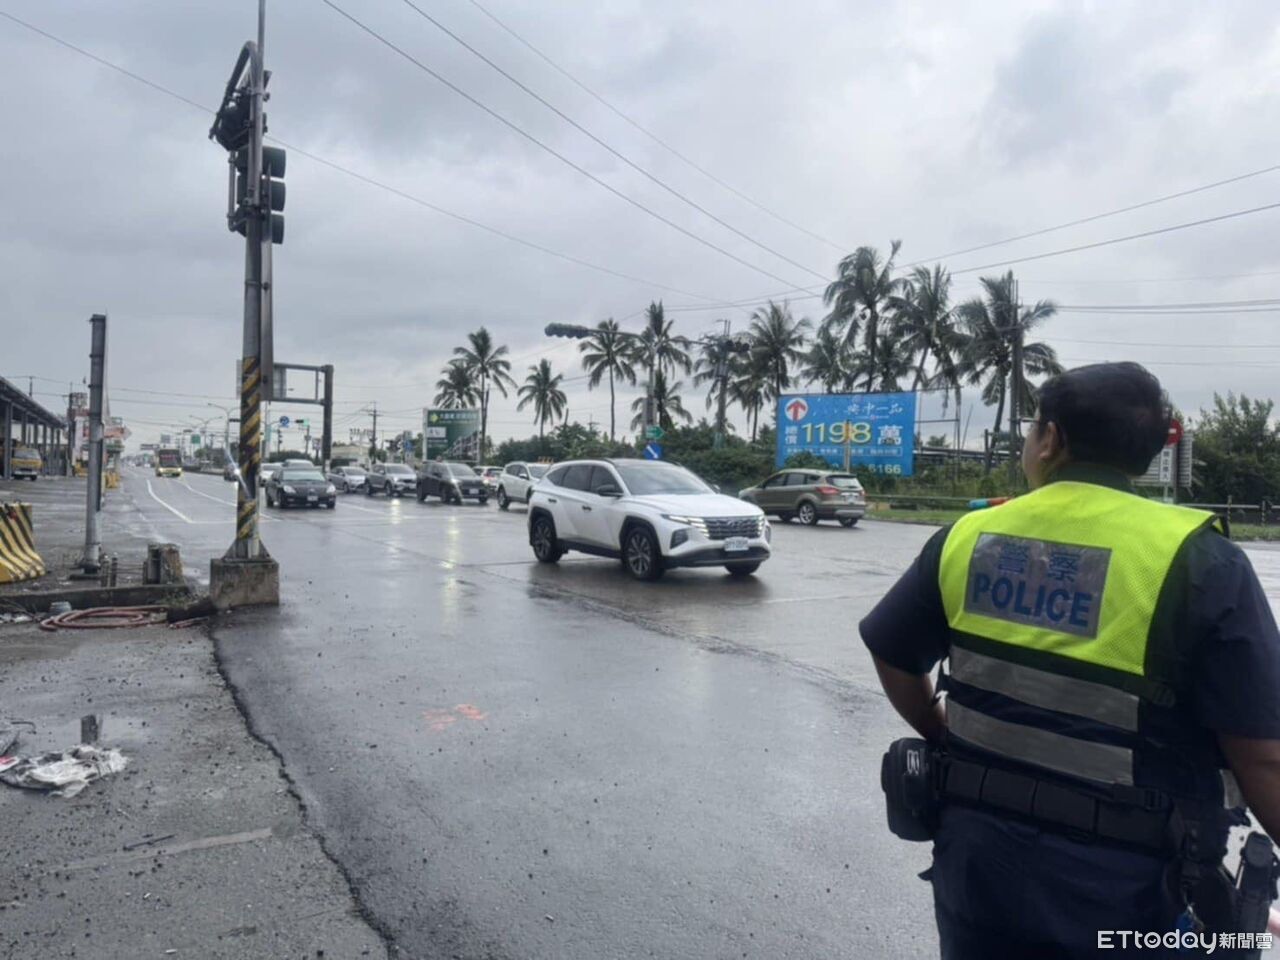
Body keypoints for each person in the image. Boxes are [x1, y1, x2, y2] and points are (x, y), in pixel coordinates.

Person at [861, 362, 1280, 958]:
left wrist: (937, 726)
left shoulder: (969, 536)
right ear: (1155, 446)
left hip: (980, 871)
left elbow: (892, 652)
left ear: (1051, 439)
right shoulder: (1200, 560)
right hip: (1134, 890)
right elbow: (1263, 758)